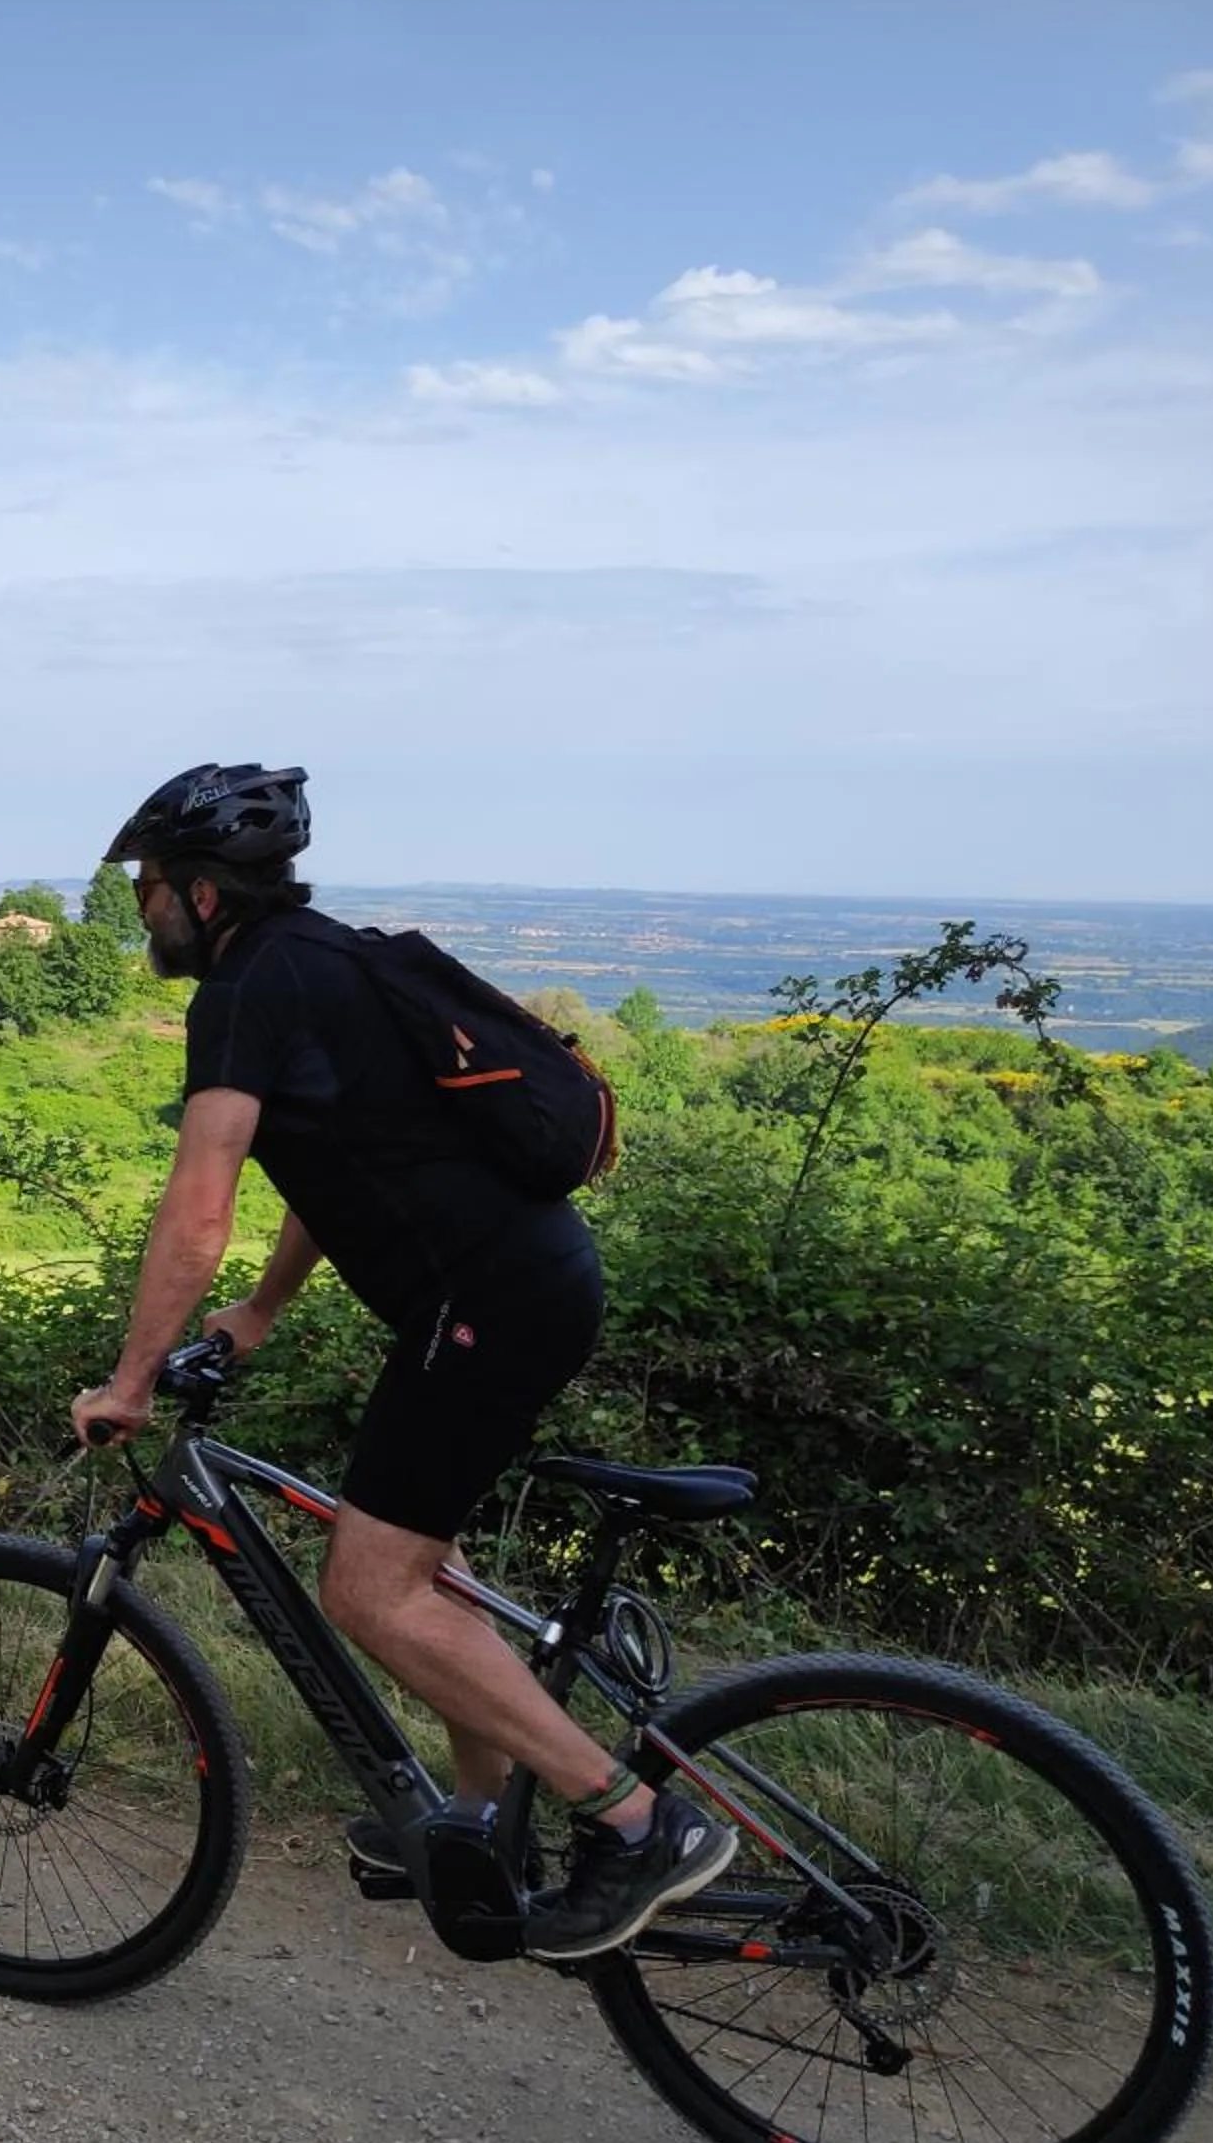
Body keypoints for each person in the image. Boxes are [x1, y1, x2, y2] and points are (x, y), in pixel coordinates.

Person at [66, 760, 734, 1960]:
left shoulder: (240, 997)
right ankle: (480, 1825)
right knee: (428, 1565)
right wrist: (263, 1308)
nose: (142, 911)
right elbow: (340, 1156)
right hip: (524, 1286)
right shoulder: (327, 960)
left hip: (484, 1307)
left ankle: (637, 1826)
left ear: (201, 896)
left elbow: (196, 1208)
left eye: (148, 887)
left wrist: (129, 1379)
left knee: (368, 1591)